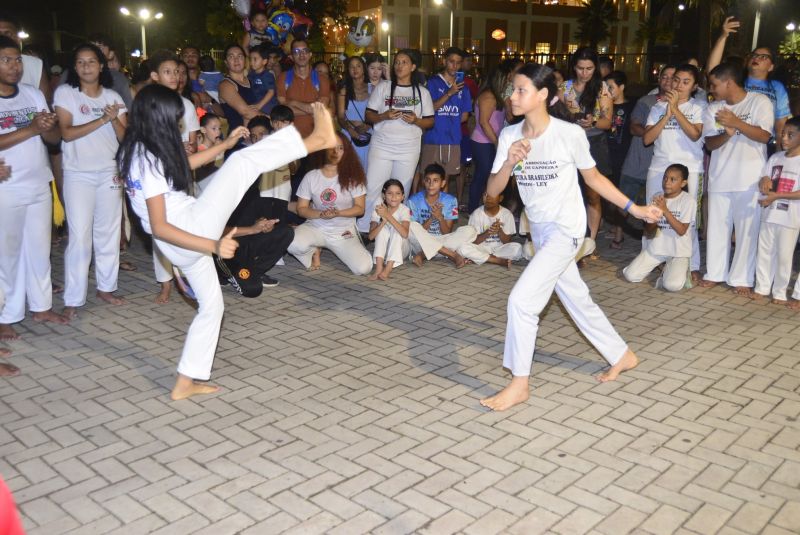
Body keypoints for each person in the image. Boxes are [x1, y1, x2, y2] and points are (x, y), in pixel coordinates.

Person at [120, 85, 336, 400]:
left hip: (181, 240)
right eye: (175, 120)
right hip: (188, 230)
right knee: (241, 165)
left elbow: (183, 167)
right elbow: (160, 226)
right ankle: (317, 140)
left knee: (211, 308)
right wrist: (213, 246)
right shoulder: (148, 160)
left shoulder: (138, 149)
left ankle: (185, 382)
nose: (179, 126)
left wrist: (228, 144)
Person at [479, 63, 661, 411]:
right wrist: (508, 164)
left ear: (543, 95)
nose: (512, 96)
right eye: (512, 89)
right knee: (576, 297)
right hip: (540, 231)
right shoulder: (509, 135)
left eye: (520, 90)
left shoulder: (568, 134)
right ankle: (622, 354)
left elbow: (593, 180)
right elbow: (492, 194)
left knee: (521, 301)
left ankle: (519, 384)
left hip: (566, 230)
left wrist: (634, 209)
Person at [0, 36, 69, 343]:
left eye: (17, 60)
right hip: (6, 187)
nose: (14, 67)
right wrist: (30, 128)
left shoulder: (31, 93)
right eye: (6, 60)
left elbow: (52, 140)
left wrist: (50, 125)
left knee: (40, 251)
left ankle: (41, 306)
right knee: (7, 255)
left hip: (39, 182)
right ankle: (6, 315)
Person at [54, 43, 128, 318]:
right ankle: (74, 297)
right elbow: (67, 133)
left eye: (91, 62)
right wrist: (102, 119)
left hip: (109, 171)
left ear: (101, 66)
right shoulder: (66, 93)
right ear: (75, 67)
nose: (86, 67)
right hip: (78, 174)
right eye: (81, 62)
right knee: (79, 236)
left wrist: (113, 120)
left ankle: (107, 287)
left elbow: (124, 137)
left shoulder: (112, 96)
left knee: (108, 233)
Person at [700, 63, 773, 296]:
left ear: (728, 82)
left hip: (750, 178)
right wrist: (726, 132)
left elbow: (764, 135)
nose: (711, 89)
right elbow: (709, 144)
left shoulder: (759, 102)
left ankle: (741, 277)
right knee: (717, 229)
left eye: (715, 84)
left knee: (746, 232)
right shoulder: (713, 108)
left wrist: (737, 123)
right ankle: (714, 273)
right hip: (720, 177)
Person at [642, 64, 706, 280]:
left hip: (689, 169)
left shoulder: (699, 107)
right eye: (676, 80)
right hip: (659, 166)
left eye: (686, 82)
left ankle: (691, 263)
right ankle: (650, 258)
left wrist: (676, 110)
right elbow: (647, 139)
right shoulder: (658, 107)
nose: (679, 85)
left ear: (694, 86)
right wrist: (667, 113)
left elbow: (695, 135)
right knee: (653, 213)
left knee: (689, 218)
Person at [361, 49, 434, 233]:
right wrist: (384, 115)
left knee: (400, 191)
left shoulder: (422, 92)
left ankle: (392, 231)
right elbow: (368, 115)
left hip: (408, 149)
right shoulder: (384, 87)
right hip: (382, 145)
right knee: (373, 188)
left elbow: (430, 120)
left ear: (413, 66)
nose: (399, 66)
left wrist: (416, 120)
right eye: (397, 62)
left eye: (404, 62)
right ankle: (365, 229)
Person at [288, 132, 372, 274]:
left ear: (346, 152)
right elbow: (301, 209)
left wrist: (338, 213)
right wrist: (321, 214)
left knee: (364, 268)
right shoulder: (311, 176)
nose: (335, 152)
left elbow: (360, 209)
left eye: (340, 148)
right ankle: (314, 250)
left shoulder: (354, 177)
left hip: (343, 231)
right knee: (291, 243)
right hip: (315, 227)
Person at [559, 47, 613, 259]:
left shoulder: (603, 88)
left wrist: (593, 122)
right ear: (574, 67)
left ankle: (590, 242)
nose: (584, 73)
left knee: (593, 194)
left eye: (589, 68)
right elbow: (555, 115)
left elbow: (607, 123)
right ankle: (571, 238)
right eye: (580, 68)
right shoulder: (565, 87)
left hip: (594, 144)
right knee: (569, 193)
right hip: (569, 144)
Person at [708, 17, 791, 150]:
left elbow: (781, 123)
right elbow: (713, 72)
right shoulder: (738, 81)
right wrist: (723, 36)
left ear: (771, 67)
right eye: (754, 55)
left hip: (763, 143)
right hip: (732, 139)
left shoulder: (777, 87)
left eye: (763, 57)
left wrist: (779, 152)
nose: (756, 58)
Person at [623, 164, 696, 292]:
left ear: (683, 183)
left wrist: (665, 210)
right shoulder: (657, 197)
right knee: (630, 275)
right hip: (657, 248)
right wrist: (653, 218)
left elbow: (681, 230)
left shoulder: (688, 201)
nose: (667, 182)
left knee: (672, 286)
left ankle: (674, 269)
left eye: (673, 179)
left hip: (678, 252)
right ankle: (664, 267)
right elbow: (649, 230)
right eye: (665, 178)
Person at [753, 116, 800, 306]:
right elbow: (764, 177)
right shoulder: (775, 157)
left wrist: (777, 196)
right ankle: (762, 287)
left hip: (790, 218)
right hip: (770, 213)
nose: (785, 138)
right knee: (764, 251)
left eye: (791, 134)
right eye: (783, 134)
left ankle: (780, 291)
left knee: (784, 256)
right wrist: (763, 181)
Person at [420, 47, 472, 198]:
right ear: (444, 61)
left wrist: (451, 121)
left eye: (458, 63)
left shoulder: (464, 87)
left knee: (445, 180)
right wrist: (449, 93)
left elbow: (464, 116)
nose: (454, 66)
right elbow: (428, 110)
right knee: (428, 181)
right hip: (433, 138)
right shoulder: (433, 83)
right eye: (451, 62)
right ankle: (425, 214)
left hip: (453, 140)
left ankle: (442, 214)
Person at [406, 163, 476, 268]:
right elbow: (418, 231)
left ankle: (423, 255)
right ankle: (452, 255)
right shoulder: (413, 200)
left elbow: (446, 232)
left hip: (443, 240)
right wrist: (432, 218)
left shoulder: (450, 200)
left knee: (470, 230)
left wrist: (440, 217)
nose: (431, 184)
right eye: (428, 180)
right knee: (410, 226)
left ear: (443, 183)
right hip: (421, 243)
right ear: (423, 181)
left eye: (435, 180)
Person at [468, 65, 507, 213]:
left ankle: (481, 207)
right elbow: (484, 122)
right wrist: (496, 142)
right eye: (506, 79)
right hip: (483, 142)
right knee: (481, 176)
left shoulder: (494, 95)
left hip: (487, 141)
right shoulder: (488, 96)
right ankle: (473, 209)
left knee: (486, 176)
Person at [604, 70, 636, 249]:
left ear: (622, 87)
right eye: (605, 87)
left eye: (611, 87)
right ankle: (614, 225)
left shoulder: (632, 106)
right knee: (606, 196)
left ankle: (619, 234)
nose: (607, 91)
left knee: (619, 196)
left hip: (623, 156)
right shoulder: (603, 105)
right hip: (605, 154)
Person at [277, 39, 331, 137]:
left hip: (316, 139)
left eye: (304, 51)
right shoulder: (283, 78)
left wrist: (293, 103)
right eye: (296, 52)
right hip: (289, 140)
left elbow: (321, 109)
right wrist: (312, 111)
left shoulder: (321, 79)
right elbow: (283, 111)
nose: (301, 55)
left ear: (310, 54)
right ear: (291, 57)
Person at [458, 192, 522, 268]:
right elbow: (474, 241)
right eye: (485, 195)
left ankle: (483, 258)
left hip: (500, 249)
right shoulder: (476, 214)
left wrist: (499, 230)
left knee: (517, 248)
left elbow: (506, 242)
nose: (488, 198)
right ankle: (497, 260)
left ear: (500, 198)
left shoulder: (507, 214)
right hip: (482, 248)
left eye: (493, 195)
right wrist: (488, 232)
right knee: (462, 248)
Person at [257, 107, 298, 223]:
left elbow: (294, 169)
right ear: (271, 123)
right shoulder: (264, 140)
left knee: (280, 219)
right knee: (264, 219)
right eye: (276, 122)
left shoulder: (294, 143)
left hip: (283, 187)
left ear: (291, 124)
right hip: (265, 187)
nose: (280, 126)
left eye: (284, 122)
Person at [368, 179, 411, 281]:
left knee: (396, 230)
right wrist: (383, 221)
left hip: (401, 249)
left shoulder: (404, 210)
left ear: (403, 196)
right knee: (382, 230)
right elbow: (370, 237)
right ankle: (378, 269)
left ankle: (387, 269)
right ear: (384, 195)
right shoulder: (378, 209)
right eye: (390, 193)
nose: (394, 197)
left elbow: (405, 234)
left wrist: (387, 215)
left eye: (397, 194)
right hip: (384, 250)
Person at [337, 56, 372, 173]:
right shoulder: (344, 90)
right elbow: (341, 117)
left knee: (368, 172)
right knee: (349, 173)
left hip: (368, 136)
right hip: (349, 136)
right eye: (352, 66)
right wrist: (350, 129)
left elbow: (379, 113)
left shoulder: (373, 89)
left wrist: (369, 125)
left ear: (364, 68)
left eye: (358, 66)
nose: (355, 69)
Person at [219, 44, 263, 131]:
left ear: (245, 60)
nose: (236, 60)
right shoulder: (225, 85)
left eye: (240, 56)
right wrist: (273, 119)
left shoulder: (253, 80)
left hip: (261, 134)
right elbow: (246, 112)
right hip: (240, 139)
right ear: (226, 62)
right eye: (231, 57)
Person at [248, 44, 278, 114]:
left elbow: (271, 92)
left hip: (268, 105)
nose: (251, 62)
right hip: (256, 104)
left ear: (264, 61)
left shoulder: (267, 75)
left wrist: (259, 105)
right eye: (250, 59)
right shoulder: (251, 74)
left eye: (255, 59)